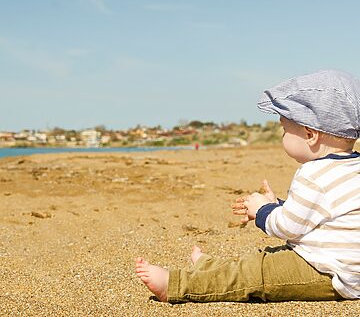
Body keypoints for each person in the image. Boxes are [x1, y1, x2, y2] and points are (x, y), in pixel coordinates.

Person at [136, 69, 360, 302]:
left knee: (257, 272)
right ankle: (211, 266)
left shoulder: (314, 173)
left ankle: (176, 284)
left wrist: (262, 211)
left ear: (310, 134)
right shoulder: (352, 167)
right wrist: (277, 205)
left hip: (330, 271)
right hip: (349, 269)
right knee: (267, 258)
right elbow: (321, 215)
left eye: (285, 129)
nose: (283, 135)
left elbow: (288, 228)